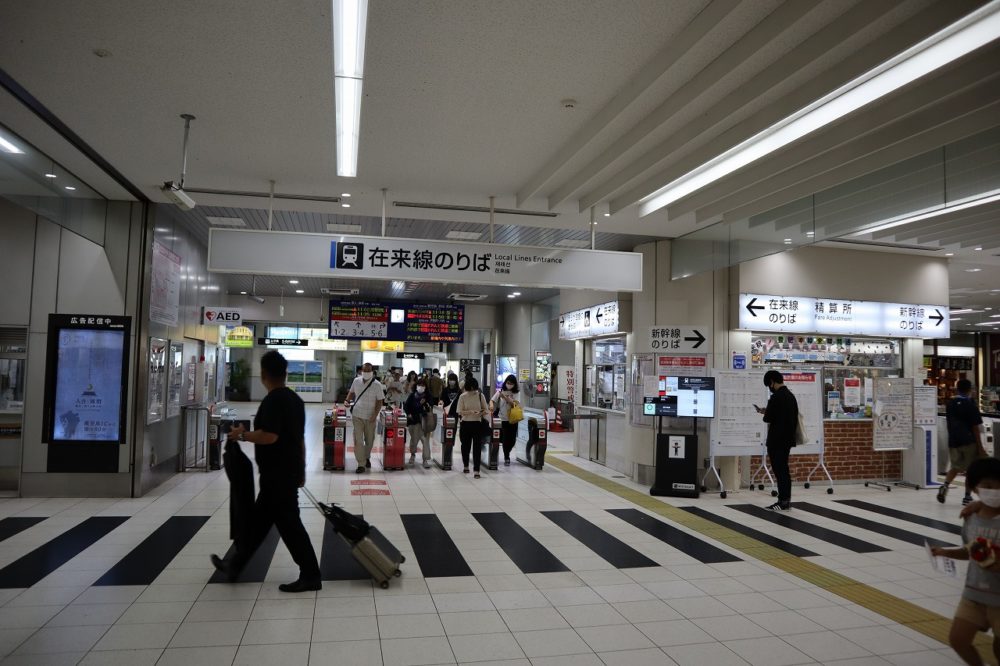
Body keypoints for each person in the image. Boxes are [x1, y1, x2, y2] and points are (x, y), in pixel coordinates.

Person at [211, 351, 321, 592]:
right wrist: (301, 469)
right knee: (258, 524)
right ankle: (234, 566)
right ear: (285, 373)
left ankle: (311, 575)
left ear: (263, 375)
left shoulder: (273, 401)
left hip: (277, 475)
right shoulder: (295, 400)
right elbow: (299, 439)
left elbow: (270, 436)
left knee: (290, 526)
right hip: (285, 472)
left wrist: (242, 435)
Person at [931, 457, 1000, 666]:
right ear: (974, 488)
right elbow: (970, 550)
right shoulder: (971, 517)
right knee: (958, 640)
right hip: (973, 594)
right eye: (987, 486)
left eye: (999, 486)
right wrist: (945, 552)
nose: (994, 491)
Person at [755, 369, 798, 512]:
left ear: (772, 382)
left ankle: (782, 501)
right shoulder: (791, 396)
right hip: (787, 440)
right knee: (784, 470)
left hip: (776, 441)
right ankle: (786, 499)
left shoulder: (776, 397)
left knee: (780, 471)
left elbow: (768, 418)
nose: (769, 387)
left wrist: (765, 412)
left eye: (769, 384)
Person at [939, 379, 987, 506]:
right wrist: (980, 447)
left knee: (955, 466)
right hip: (968, 441)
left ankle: (945, 486)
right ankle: (967, 496)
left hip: (953, 441)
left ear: (957, 389)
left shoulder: (950, 404)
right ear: (969, 389)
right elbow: (975, 427)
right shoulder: (970, 404)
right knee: (970, 469)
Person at [346, 362, 385, 473]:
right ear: (361, 371)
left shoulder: (377, 384)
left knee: (370, 440)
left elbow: (379, 401)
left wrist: (375, 415)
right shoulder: (356, 381)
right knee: (358, 440)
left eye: (368, 371)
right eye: (364, 370)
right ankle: (361, 464)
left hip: (370, 417)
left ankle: (367, 456)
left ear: (372, 371)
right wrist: (347, 400)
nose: (366, 372)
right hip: (357, 414)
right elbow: (351, 392)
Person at [457, 376, 490, 479]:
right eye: (471, 387)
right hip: (465, 424)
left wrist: (480, 412)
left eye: (474, 387)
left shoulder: (480, 396)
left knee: (477, 448)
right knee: (465, 447)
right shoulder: (462, 396)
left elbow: (486, 410)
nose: (473, 390)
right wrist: (470, 412)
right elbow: (459, 411)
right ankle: (466, 465)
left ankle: (476, 470)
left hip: (477, 424)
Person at [491, 374, 520, 466]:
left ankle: (507, 450)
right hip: (503, 419)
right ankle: (506, 456)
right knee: (506, 439)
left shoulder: (516, 393)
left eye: (511, 383)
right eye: (508, 383)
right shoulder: (500, 391)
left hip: (513, 419)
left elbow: (514, 404)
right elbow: (492, 400)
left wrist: (505, 398)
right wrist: (491, 404)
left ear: (514, 384)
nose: (509, 385)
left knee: (512, 440)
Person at [404, 377, 433, 468]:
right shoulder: (412, 396)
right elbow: (406, 406)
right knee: (414, 440)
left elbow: (429, 408)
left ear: (425, 387)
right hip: (413, 421)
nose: (421, 387)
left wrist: (425, 404)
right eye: (419, 385)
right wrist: (409, 414)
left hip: (424, 422)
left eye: (423, 385)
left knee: (425, 441)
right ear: (416, 386)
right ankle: (413, 455)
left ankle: (425, 459)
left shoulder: (428, 396)